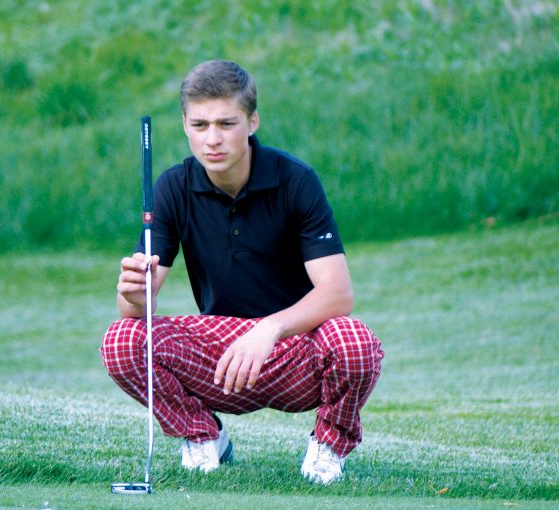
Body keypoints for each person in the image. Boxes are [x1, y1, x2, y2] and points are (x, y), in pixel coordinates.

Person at [101, 59, 384, 485]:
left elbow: (338, 295)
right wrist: (134, 294)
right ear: (183, 124)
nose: (211, 139)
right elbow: (137, 307)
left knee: (355, 343)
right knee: (122, 341)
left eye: (225, 123)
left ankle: (328, 446)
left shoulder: (295, 180)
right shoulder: (172, 187)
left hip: (296, 347)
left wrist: (269, 329)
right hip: (220, 355)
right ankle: (203, 436)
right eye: (199, 125)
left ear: (252, 121)